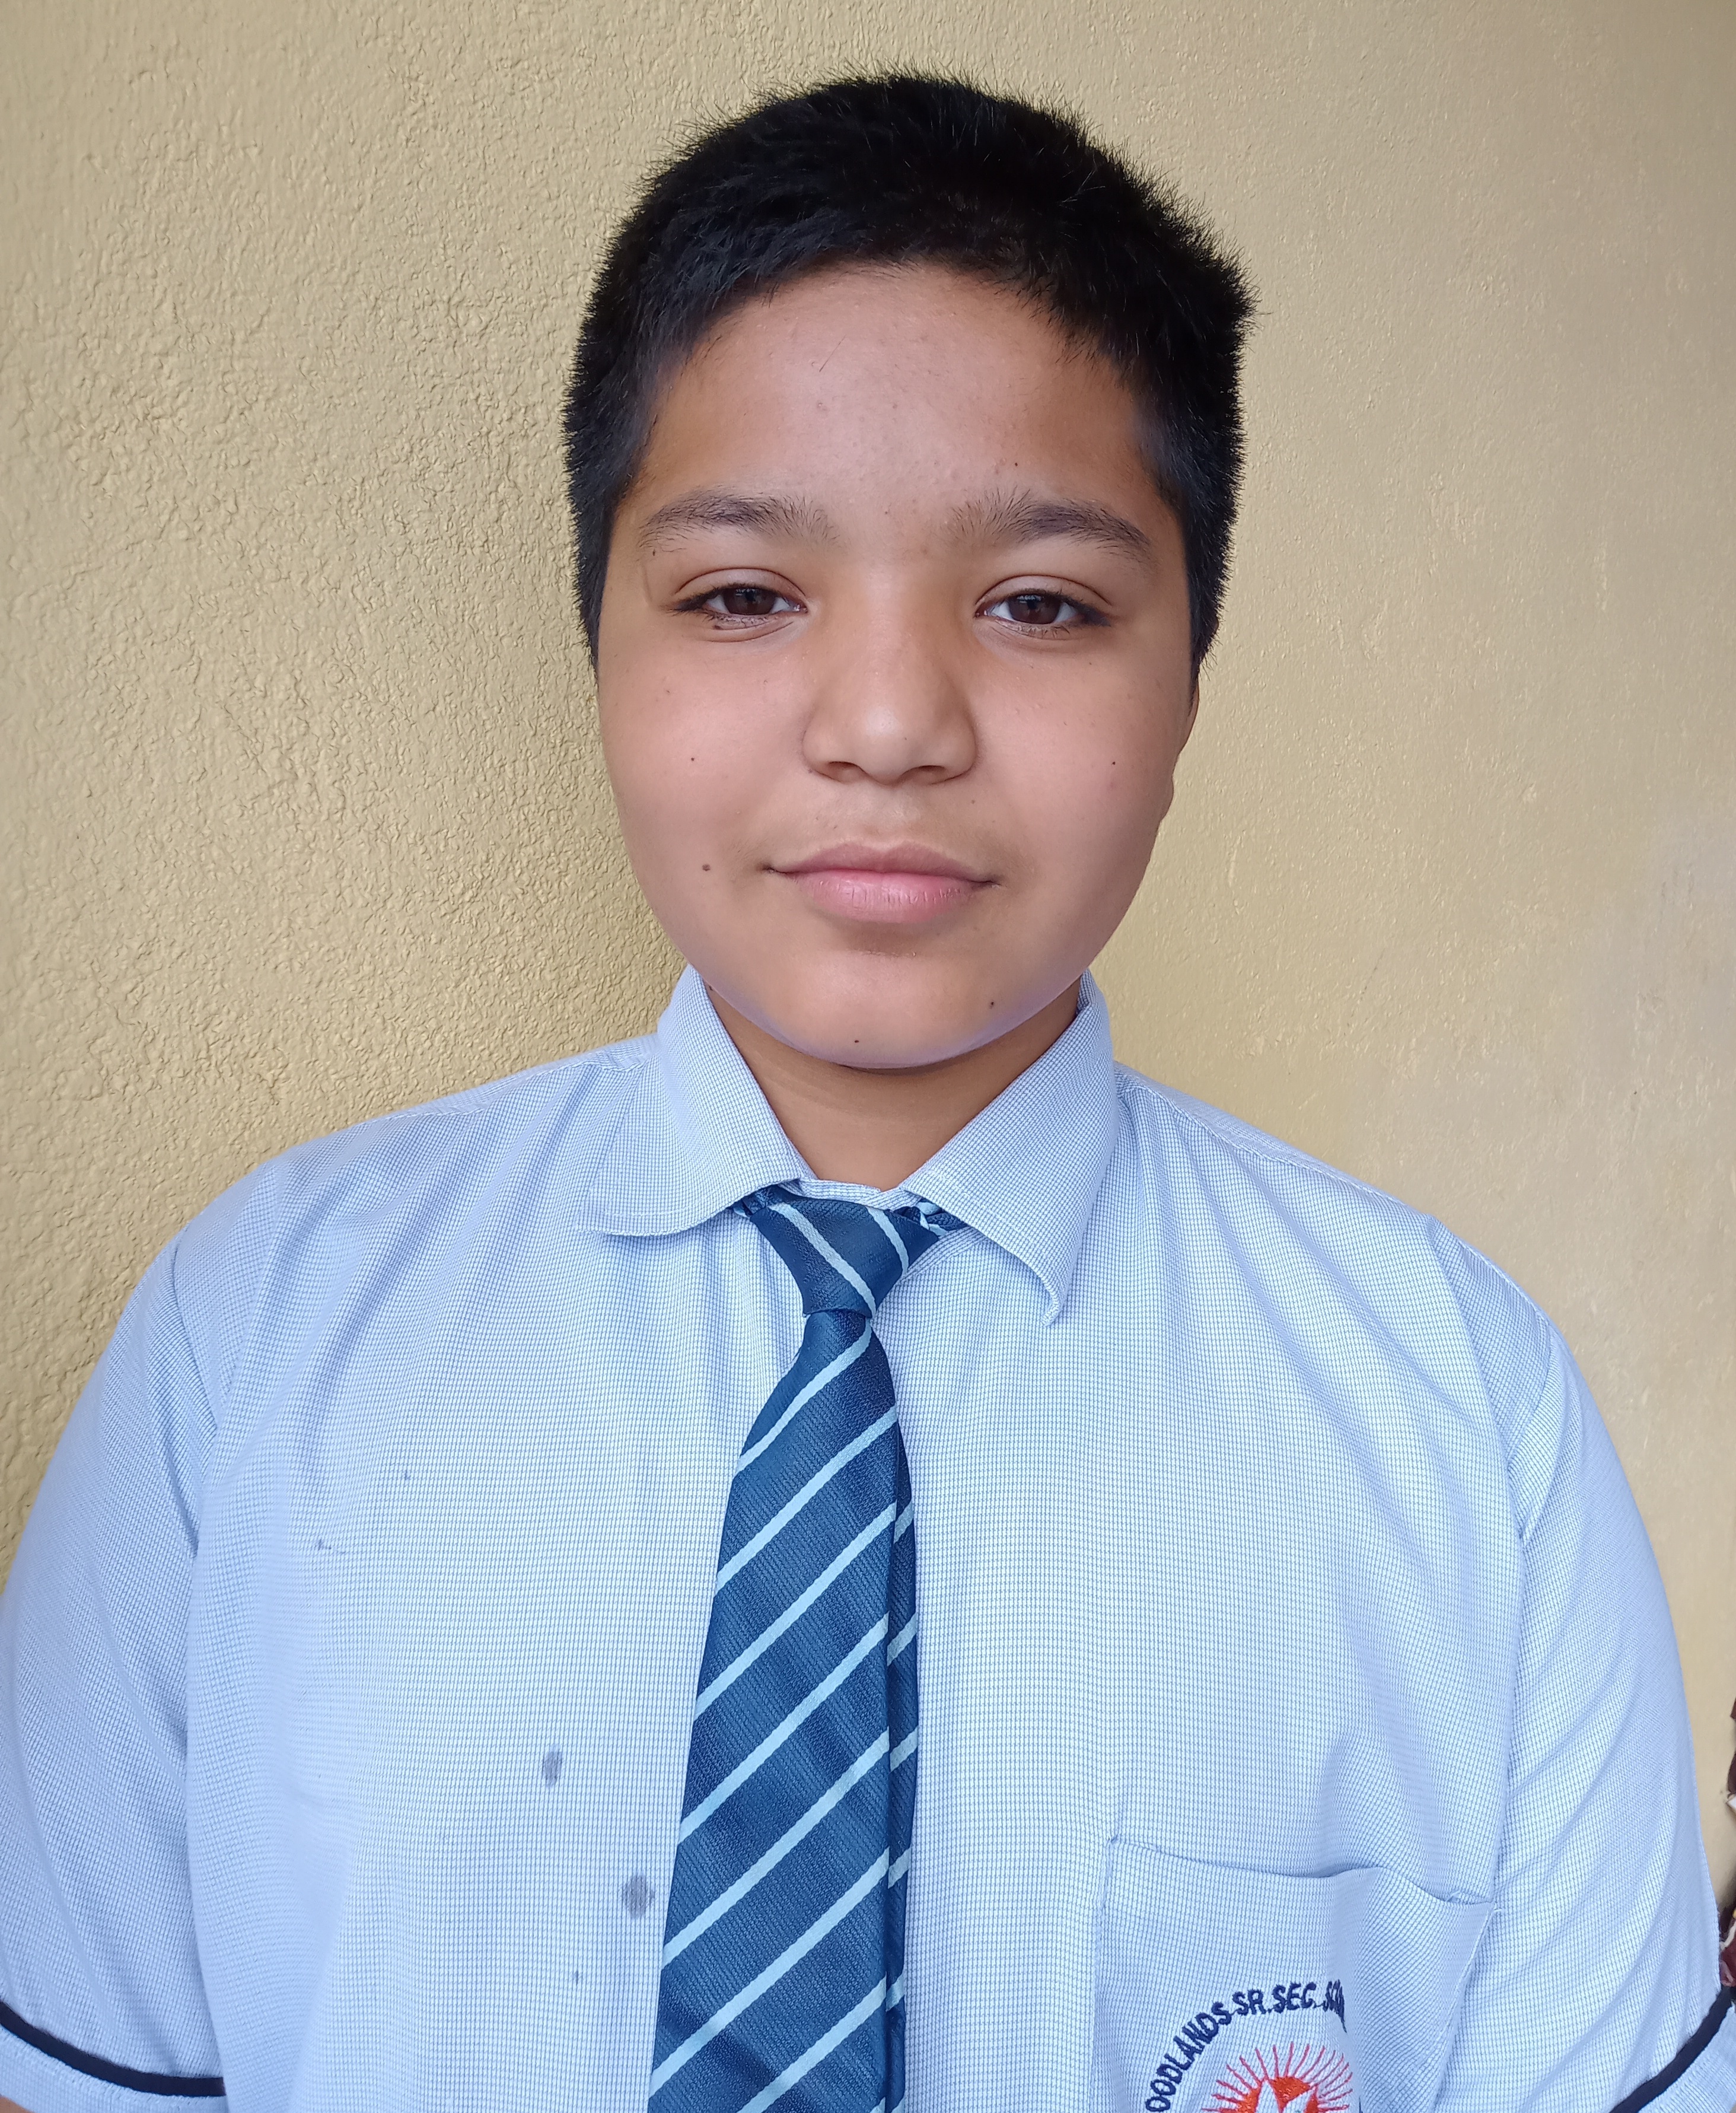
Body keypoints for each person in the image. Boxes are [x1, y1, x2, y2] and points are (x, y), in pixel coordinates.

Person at [1, 74, 1729, 2113]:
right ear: (597, 639)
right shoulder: (257, 1342)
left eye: (1042, 602)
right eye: (744, 593)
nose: (892, 721)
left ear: (1191, 671)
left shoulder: (1464, 1420)